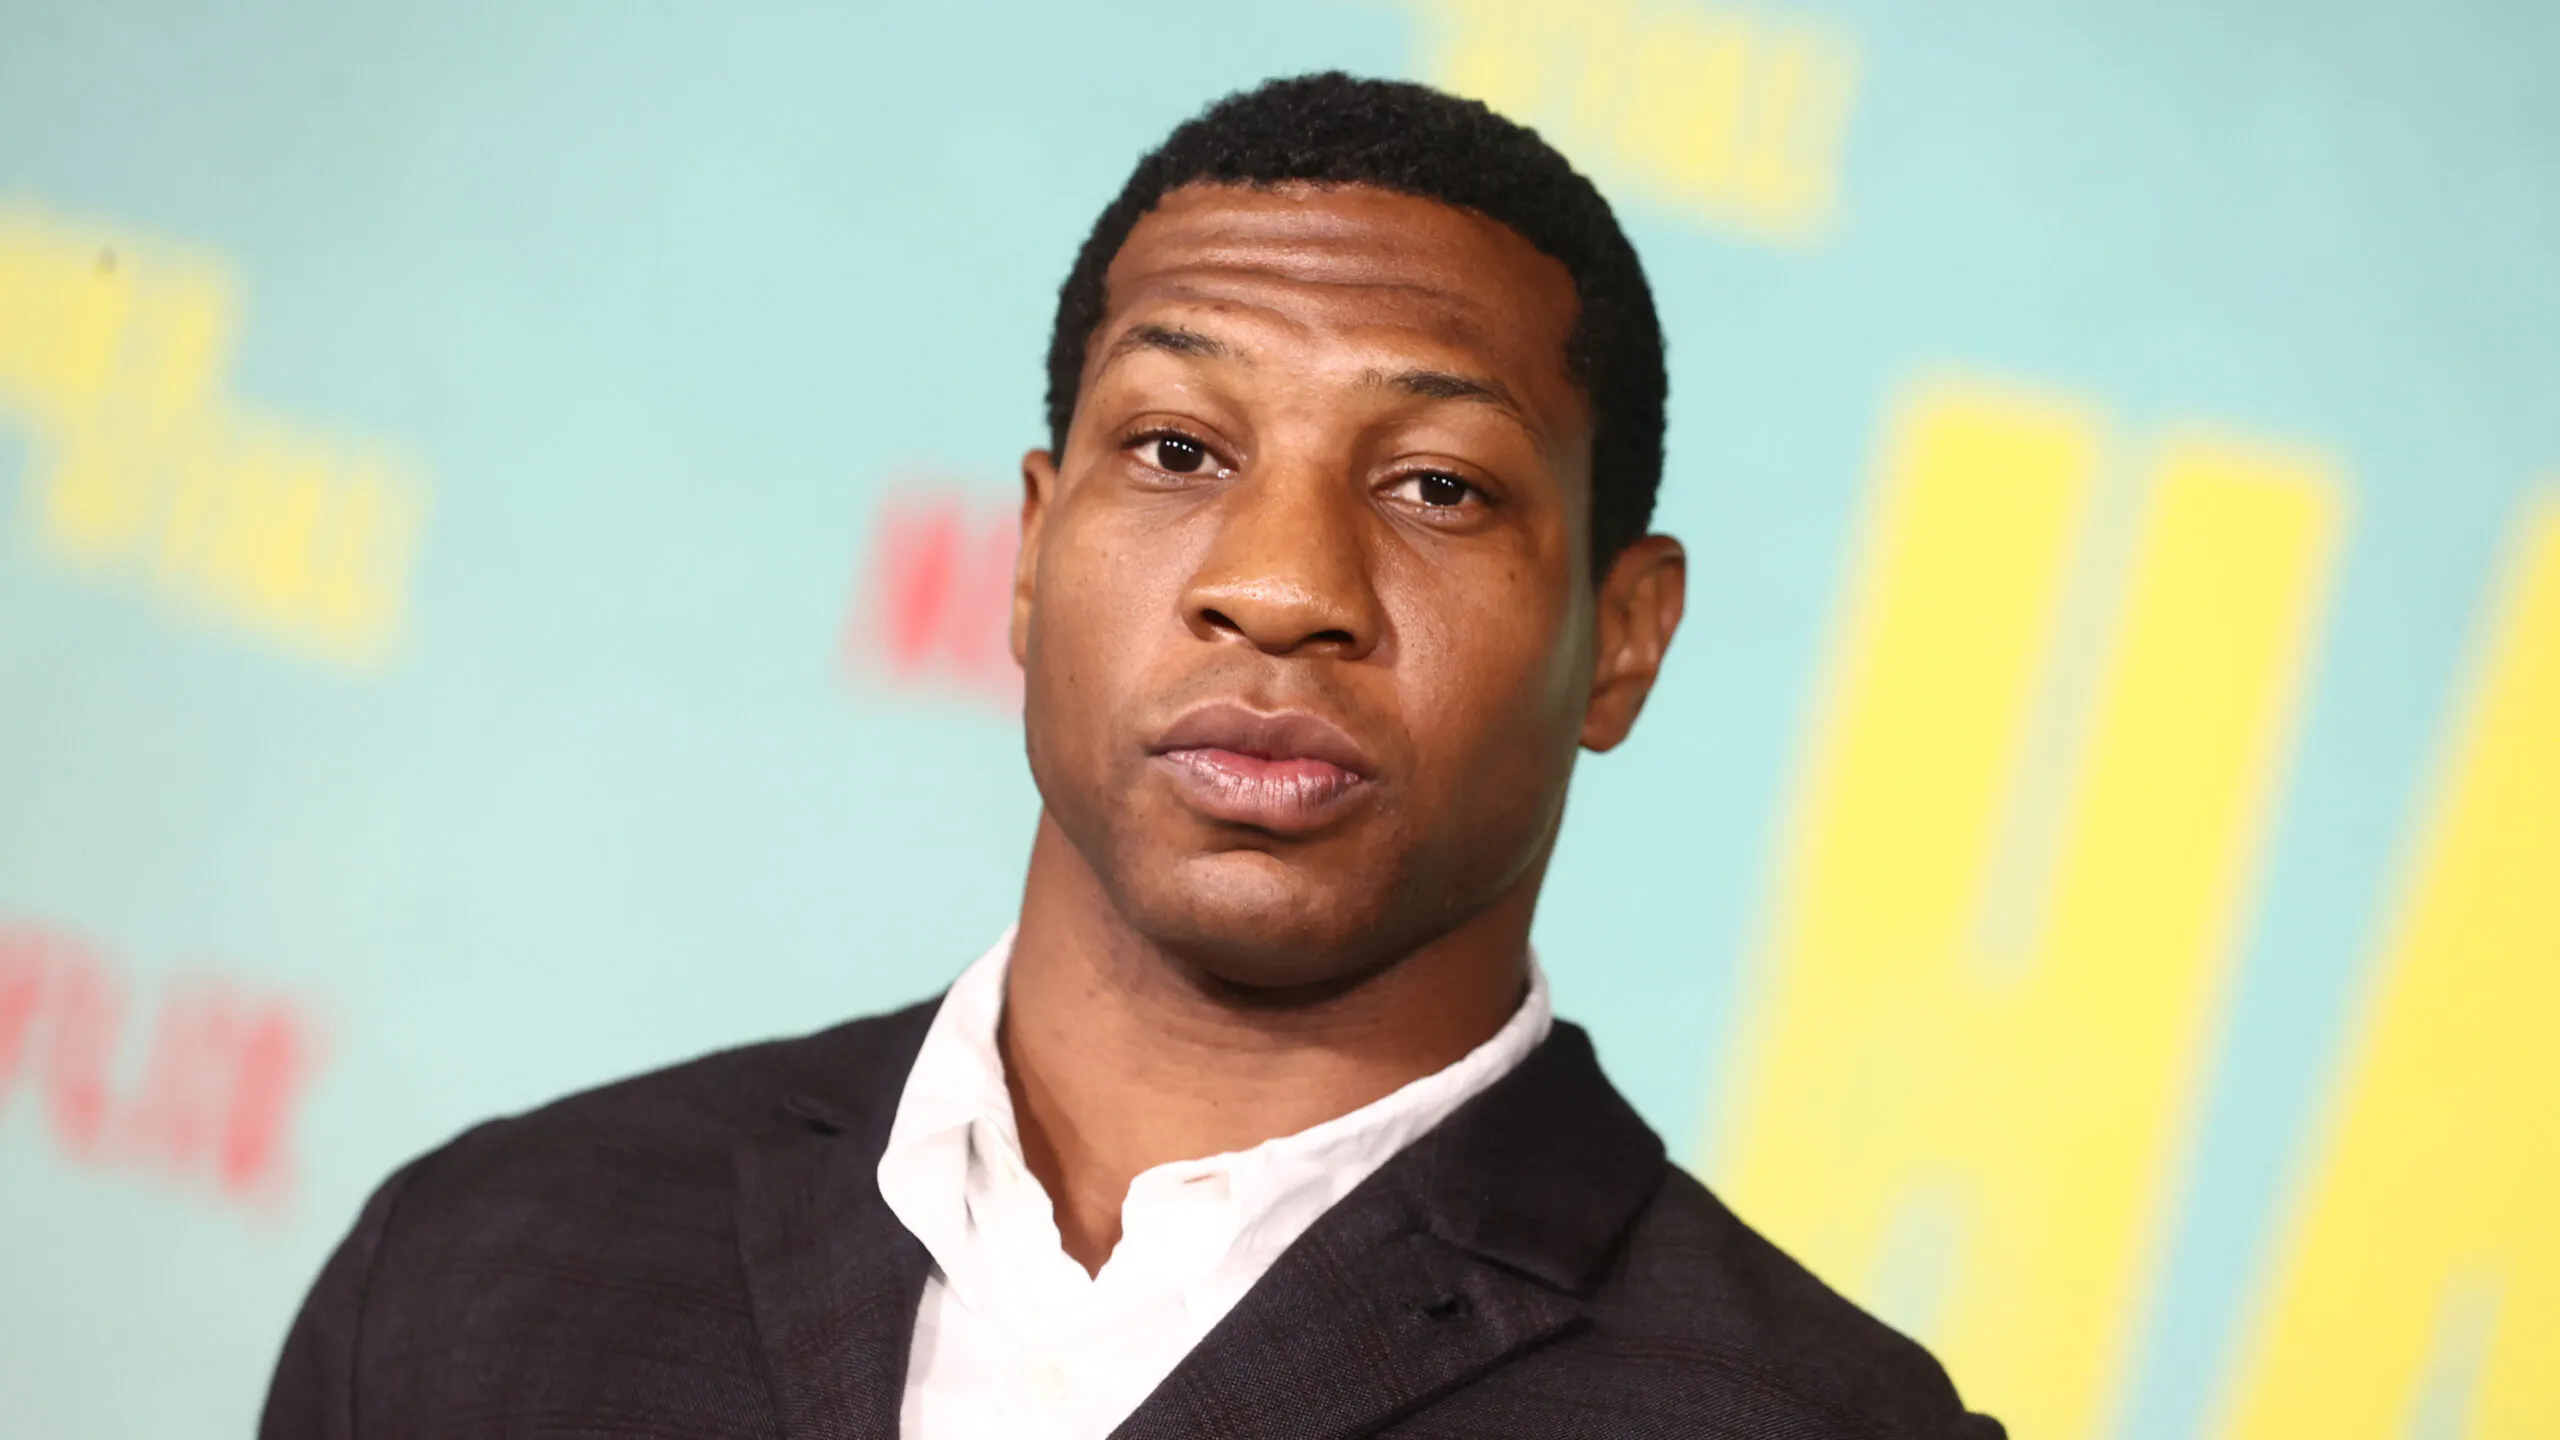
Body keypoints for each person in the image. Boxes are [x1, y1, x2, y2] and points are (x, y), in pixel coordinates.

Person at [262, 72, 2001, 1439]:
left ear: (1623, 636)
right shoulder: (485, 1264)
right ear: (1030, 553)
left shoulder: (1808, 1421)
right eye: (1177, 450)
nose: (1281, 588)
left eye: (1437, 486)